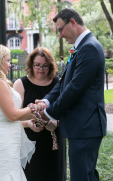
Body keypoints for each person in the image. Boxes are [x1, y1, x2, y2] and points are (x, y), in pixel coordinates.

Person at [36, 8, 107, 181]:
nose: (60, 35)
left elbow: (74, 89)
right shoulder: (80, 47)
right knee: (86, 175)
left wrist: (49, 113)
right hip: (81, 126)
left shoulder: (89, 48)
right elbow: (63, 83)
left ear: (73, 23)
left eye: (61, 29)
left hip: (86, 125)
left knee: (81, 176)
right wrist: (46, 101)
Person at [0, 44, 36, 181]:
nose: (10, 65)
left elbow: (2, 118)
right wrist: (33, 108)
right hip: (3, 143)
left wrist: (28, 123)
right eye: (8, 60)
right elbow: (12, 116)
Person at [13, 47, 67, 181]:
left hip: (54, 142)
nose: (40, 69)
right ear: (31, 65)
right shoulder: (21, 84)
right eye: (37, 65)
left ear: (51, 66)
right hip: (29, 141)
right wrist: (28, 124)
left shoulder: (58, 84)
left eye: (45, 66)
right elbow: (13, 117)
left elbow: (68, 113)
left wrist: (56, 122)